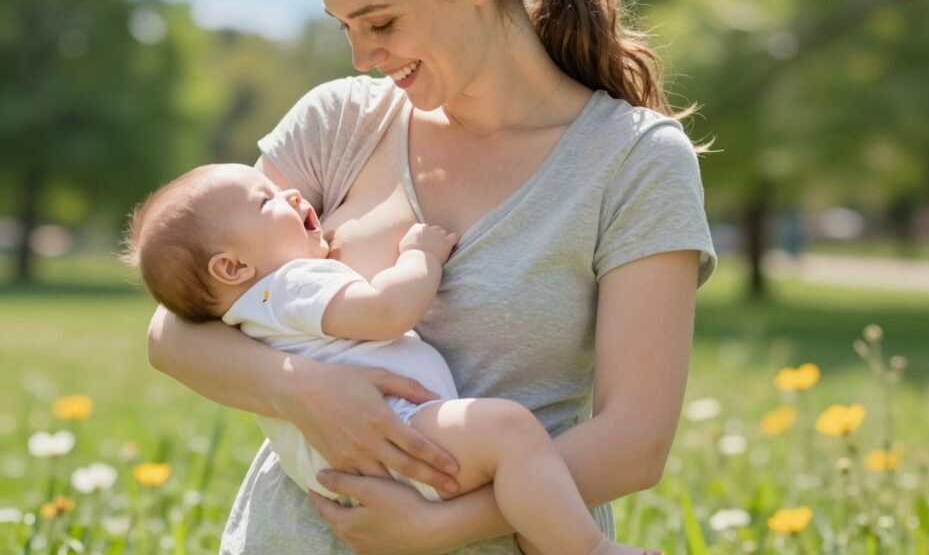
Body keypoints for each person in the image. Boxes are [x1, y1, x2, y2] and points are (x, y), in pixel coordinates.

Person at [146, 0, 717, 554]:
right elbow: (173, 331)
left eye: (381, 21)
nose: (363, 56)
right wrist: (301, 390)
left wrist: (441, 525)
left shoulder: (633, 160)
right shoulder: (339, 121)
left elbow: (635, 441)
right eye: (346, 27)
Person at [127, 163, 660, 555]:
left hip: (349, 461)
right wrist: (420, 256)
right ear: (231, 267)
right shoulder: (288, 285)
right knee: (509, 430)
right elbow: (385, 310)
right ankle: (589, 551)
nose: (289, 194)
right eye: (266, 202)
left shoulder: (251, 311)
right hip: (396, 433)